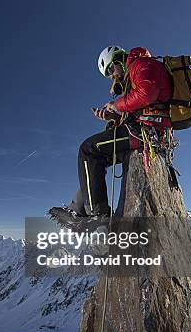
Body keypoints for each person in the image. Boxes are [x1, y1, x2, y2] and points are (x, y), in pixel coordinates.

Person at [49, 45, 174, 229]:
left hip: (147, 133)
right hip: (146, 131)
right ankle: (77, 208)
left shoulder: (141, 64)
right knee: (95, 160)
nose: (112, 75)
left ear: (119, 60)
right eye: (108, 74)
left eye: (110, 69)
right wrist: (111, 116)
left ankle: (97, 216)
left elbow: (148, 93)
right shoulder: (134, 73)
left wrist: (116, 105)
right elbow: (141, 106)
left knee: (88, 149)